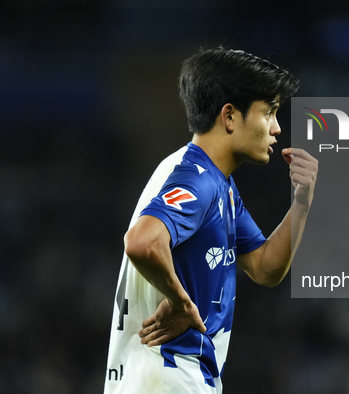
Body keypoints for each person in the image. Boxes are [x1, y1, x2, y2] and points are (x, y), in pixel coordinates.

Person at [103, 47, 318, 394]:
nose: (277, 128)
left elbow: (265, 268)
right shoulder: (197, 179)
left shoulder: (219, 185)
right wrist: (181, 303)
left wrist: (302, 201)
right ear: (230, 116)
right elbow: (141, 242)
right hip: (168, 376)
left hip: (170, 378)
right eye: (270, 113)